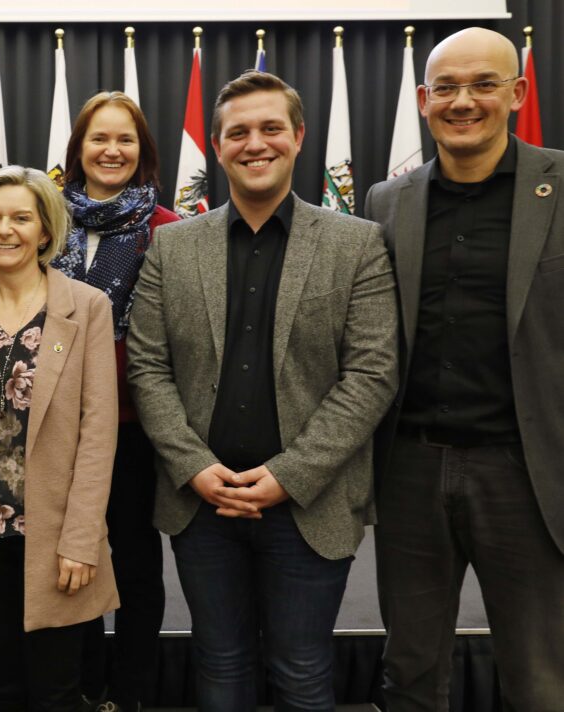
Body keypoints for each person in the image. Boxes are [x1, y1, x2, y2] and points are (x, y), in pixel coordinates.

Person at [126, 70, 399, 711]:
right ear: (217, 146)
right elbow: (146, 366)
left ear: (299, 137)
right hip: (204, 507)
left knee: (303, 674)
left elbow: (371, 374)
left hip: (309, 504)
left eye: (271, 128)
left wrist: (288, 475)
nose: (256, 143)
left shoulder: (356, 245)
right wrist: (193, 468)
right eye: (239, 132)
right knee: (219, 669)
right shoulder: (171, 245)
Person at [365, 27, 564, 711]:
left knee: (541, 679)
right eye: (446, 87)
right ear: (423, 100)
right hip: (410, 470)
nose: (463, 101)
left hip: (528, 472)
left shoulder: (563, 187)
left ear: (518, 92)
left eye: (483, 84)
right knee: (411, 675)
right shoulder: (386, 204)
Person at [0, 166, 120, 712]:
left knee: (56, 692)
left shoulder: (86, 307)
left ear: (45, 230)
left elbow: (98, 434)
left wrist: (81, 540)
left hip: (57, 540)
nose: (5, 229)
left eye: (21, 217)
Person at [51, 90, 178, 712]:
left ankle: (129, 694)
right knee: (65, 563)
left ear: (143, 152)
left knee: (131, 565)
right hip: (52, 427)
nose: (112, 150)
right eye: (99, 138)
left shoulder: (170, 231)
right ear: (78, 150)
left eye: (125, 139)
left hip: (132, 428)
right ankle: (73, 687)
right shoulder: (45, 220)